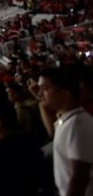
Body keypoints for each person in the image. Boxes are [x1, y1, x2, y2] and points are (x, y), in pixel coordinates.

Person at [39, 66, 93, 196]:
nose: (39, 94)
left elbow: (79, 177)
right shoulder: (67, 120)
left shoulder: (76, 125)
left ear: (64, 93)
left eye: (45, 89)